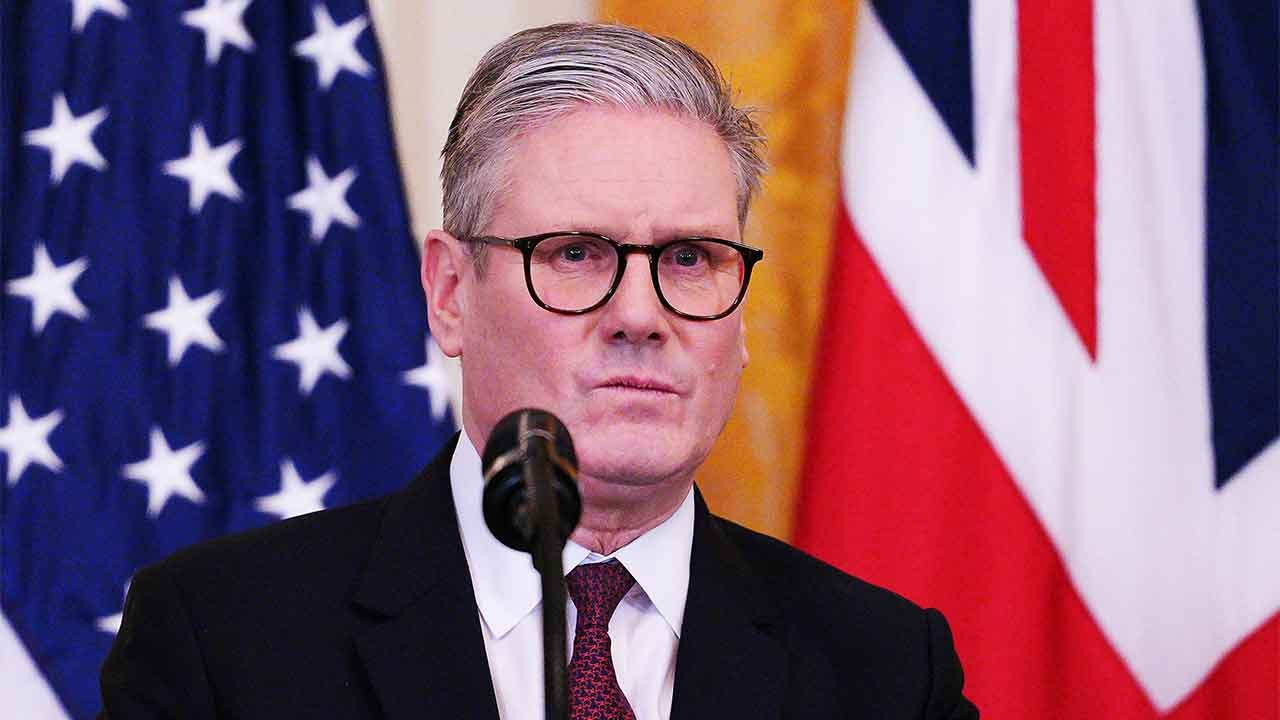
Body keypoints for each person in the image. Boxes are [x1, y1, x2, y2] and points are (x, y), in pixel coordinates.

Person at [100, 22, 978, 720]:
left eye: (690, 259)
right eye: (576, 253)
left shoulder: (888, 672)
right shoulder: (225, 639)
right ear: (450, 293)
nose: (641, 316)